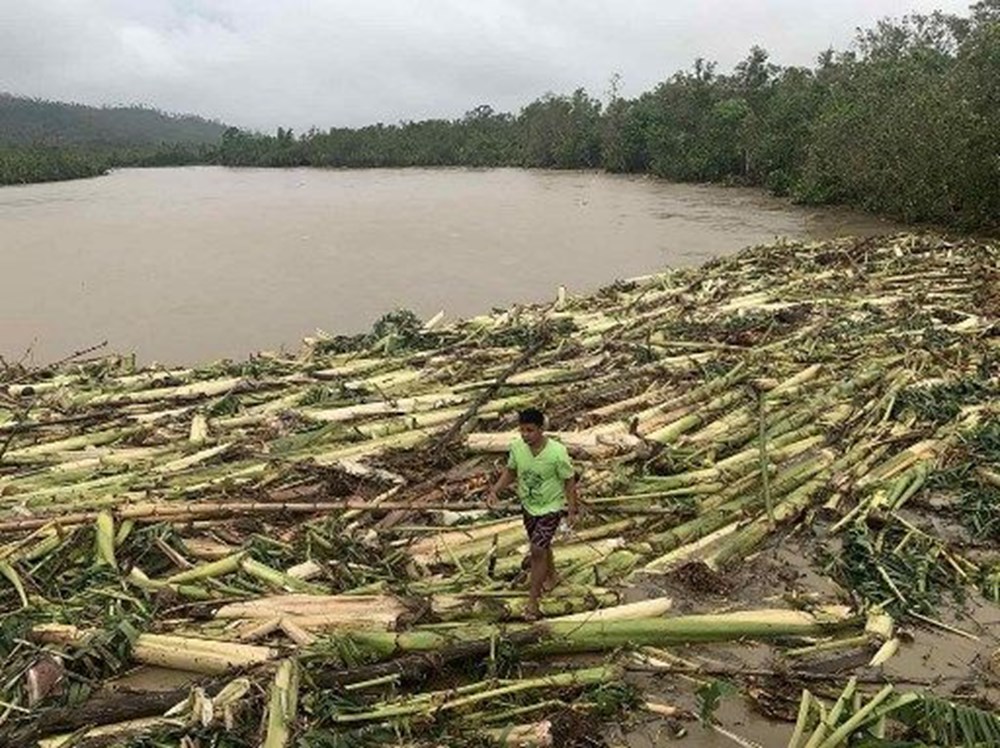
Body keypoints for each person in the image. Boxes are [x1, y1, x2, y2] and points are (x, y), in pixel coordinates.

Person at [486, 407, 578, 620]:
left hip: (551, 507)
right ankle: (552, 576)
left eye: (530, 430)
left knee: (536, 549)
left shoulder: (556, 452)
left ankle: (533, 601)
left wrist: (571, 509)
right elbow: (511, 471)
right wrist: (495, 490)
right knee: (542, 546)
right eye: (522, 431)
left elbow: (569, 479)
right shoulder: (518, 448)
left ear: (541, 430)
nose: (525, 435)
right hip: (529, 506)